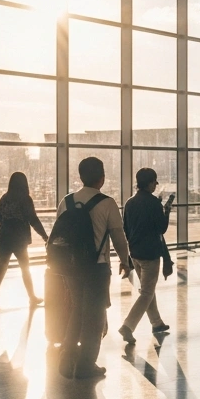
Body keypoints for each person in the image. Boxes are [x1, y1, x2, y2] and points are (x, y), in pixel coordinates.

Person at [54, 157, 132, 379]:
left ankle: (66, 360)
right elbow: (118, 235)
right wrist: (125, 261)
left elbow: (59, 235)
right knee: (94, 317)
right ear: (102, 178)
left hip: (70, 267)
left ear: (80, 177)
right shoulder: (106, 203)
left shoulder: (66, 201)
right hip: (96, 267)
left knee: (77, 311)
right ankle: (86, 364)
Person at [118, 167, 174, 347]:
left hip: (135, 252)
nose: (155, 185)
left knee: (147, 289)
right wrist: (167, 210)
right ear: (150, 183)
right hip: (150, 253)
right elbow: (161, 229)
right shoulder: (153, 203)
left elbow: (125, 228)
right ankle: (128, 325)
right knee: (147, 292)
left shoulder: (130, 202)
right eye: (155, 182)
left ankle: (156, 323)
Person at [0, 171, 47, 311]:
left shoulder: (5, 197)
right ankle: (32, 297)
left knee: (1, 269)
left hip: (4, 237)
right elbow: (33, 219)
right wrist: (45, 235)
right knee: (25, 269)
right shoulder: (25, 199)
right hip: (19, 239)